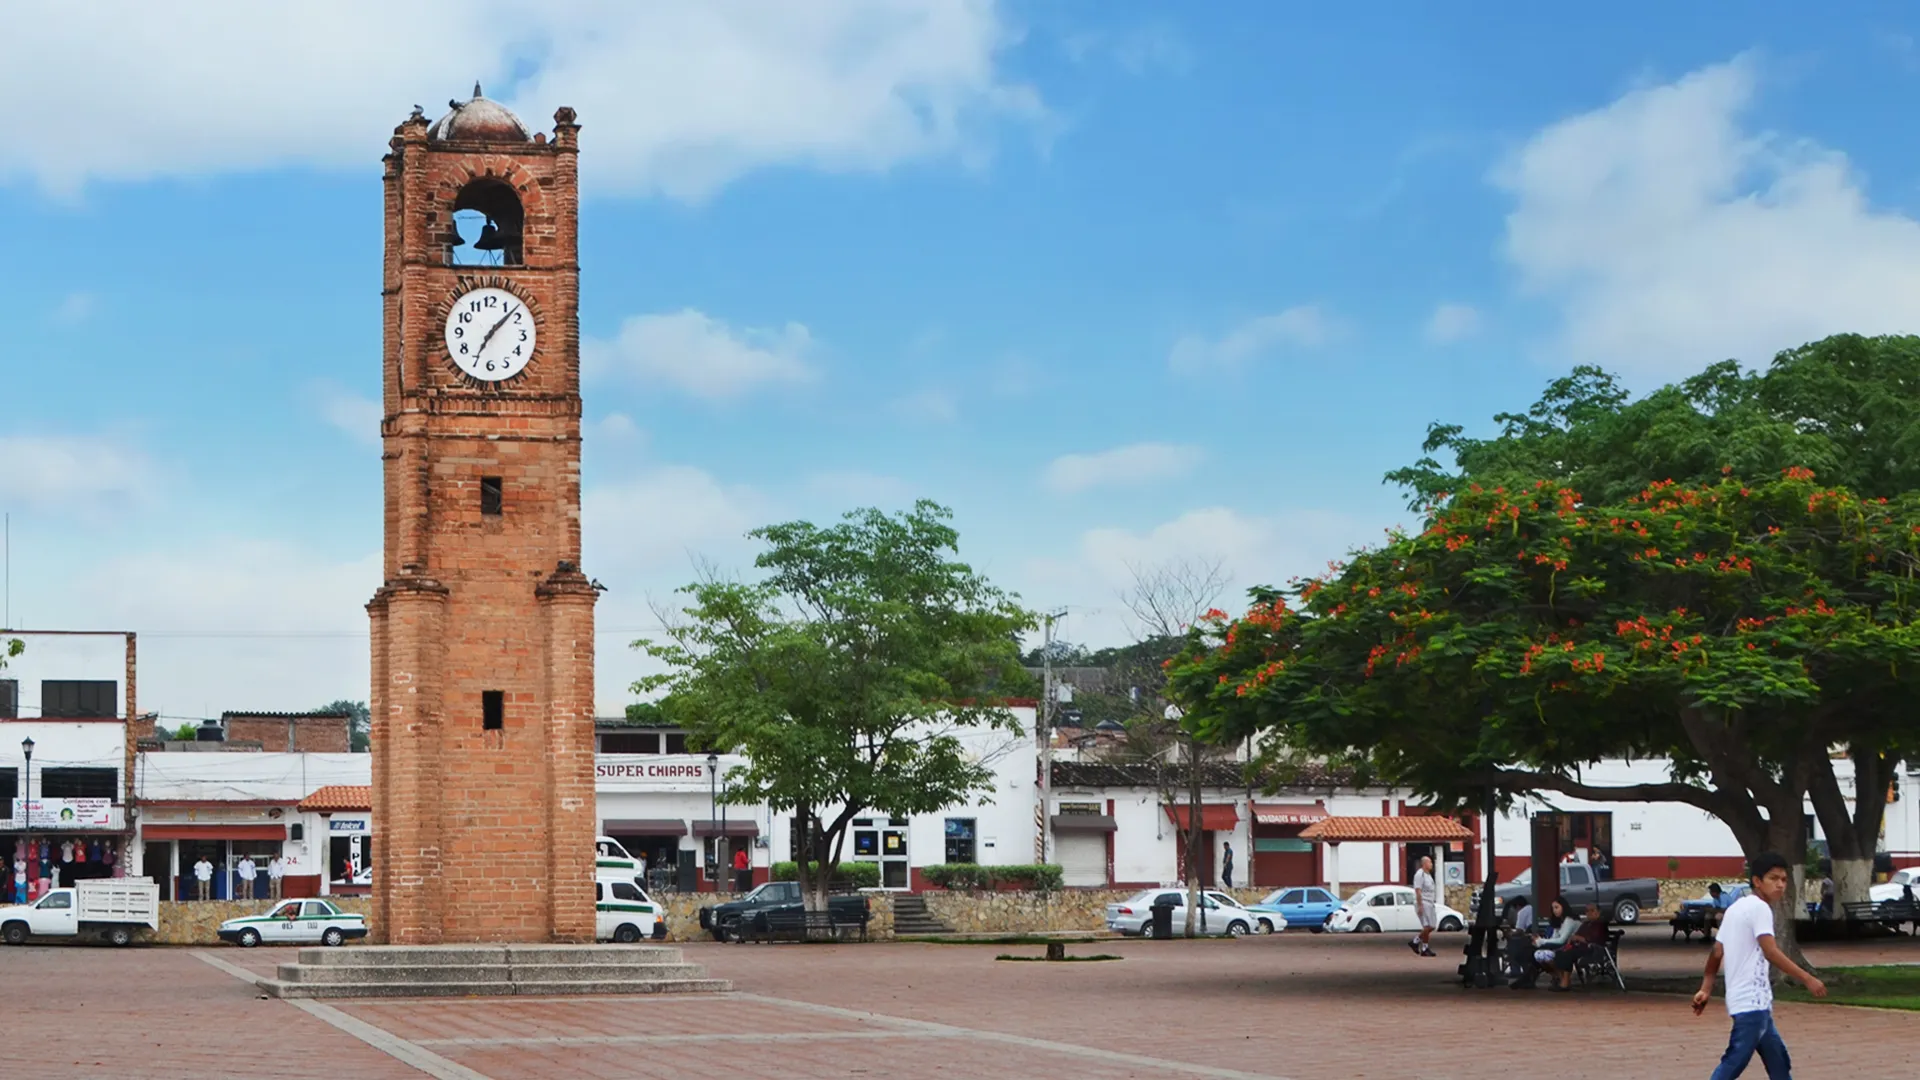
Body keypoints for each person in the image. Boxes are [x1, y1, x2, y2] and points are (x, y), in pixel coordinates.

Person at [1692, 852, 1827, 1080]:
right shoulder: (1760, 908)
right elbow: (1770, 951)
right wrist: (1808, 979)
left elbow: (1717, 952)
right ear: (1756, 881)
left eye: (1784, 880)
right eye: (1773, 879)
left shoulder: (1735, 909)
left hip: (1754, 1003)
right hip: (1750, 1004)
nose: (1780, 885)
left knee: (1779, 1063)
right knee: (1734, 1061)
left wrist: (1706, 988)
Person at [1516, 897, 1579, 989]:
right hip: (1560, 947)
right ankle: (1558, 976)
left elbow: (1561, 940)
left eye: (1557, 907)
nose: (1555, 911)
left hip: (1570, 948)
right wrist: (1539, 941)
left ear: (1563, 907)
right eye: (1553, 908)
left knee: (1544, 955)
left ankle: (1562, 979)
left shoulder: (1569, 921)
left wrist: (1542, 941)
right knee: (1538, 955)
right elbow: (1554, 938)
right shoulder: (1559, 922)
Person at [1408, 855, 1439, 957]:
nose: (1431, 864)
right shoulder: (1419, 875)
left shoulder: (1428, 875)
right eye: (1429, 862)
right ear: (1424, 864)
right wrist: (1420, 905)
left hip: (1430, 902)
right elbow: (1418, 890)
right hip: (1424, 902)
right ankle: (1422, 946)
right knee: (1427, 926)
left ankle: (1417, 942)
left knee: (1432, 926)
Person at [1501, 895, 1536, 982]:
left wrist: (1509, 933)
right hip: (1534, 935)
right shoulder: (1532, 908)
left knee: (1512, 944)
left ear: (1517, 906)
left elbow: (1519, 930)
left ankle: (1515, 970)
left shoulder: (1521, 912)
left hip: (1529, 938)